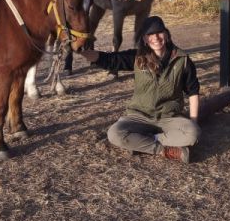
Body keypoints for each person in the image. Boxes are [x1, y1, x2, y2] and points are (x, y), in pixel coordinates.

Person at [83, 15, 200, 163]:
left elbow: (193, 91)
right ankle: (164, 150)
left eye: (159, 32)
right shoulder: (137, 57)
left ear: (166, 34)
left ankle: (141, 142)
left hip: (169, 117)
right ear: (144, 39)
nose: (155, 38)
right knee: (114, 133)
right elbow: (108, 60)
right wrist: (80, 50)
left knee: (193, 134)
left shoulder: (182, 60)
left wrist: (194, 122)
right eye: (150, 34)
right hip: (139, 116)